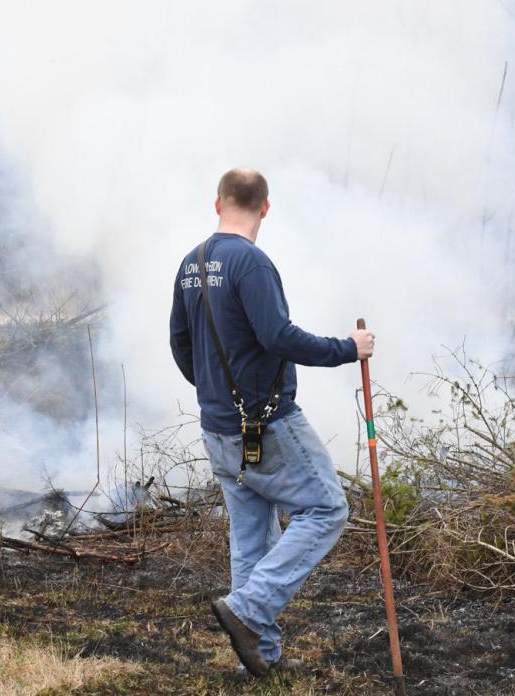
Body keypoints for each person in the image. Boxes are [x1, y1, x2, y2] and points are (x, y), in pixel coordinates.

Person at [169, 169, 375, 677]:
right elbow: (278, 336)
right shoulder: (252, 263)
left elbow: (179, 342)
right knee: (327, 509)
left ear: (216, 202)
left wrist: (215, 395)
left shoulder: (190, 264)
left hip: (217, 428)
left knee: (251, 539)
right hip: (265, 424)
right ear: (266, 208)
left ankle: (259, 657)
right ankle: (248, 610)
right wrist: (347, 349)